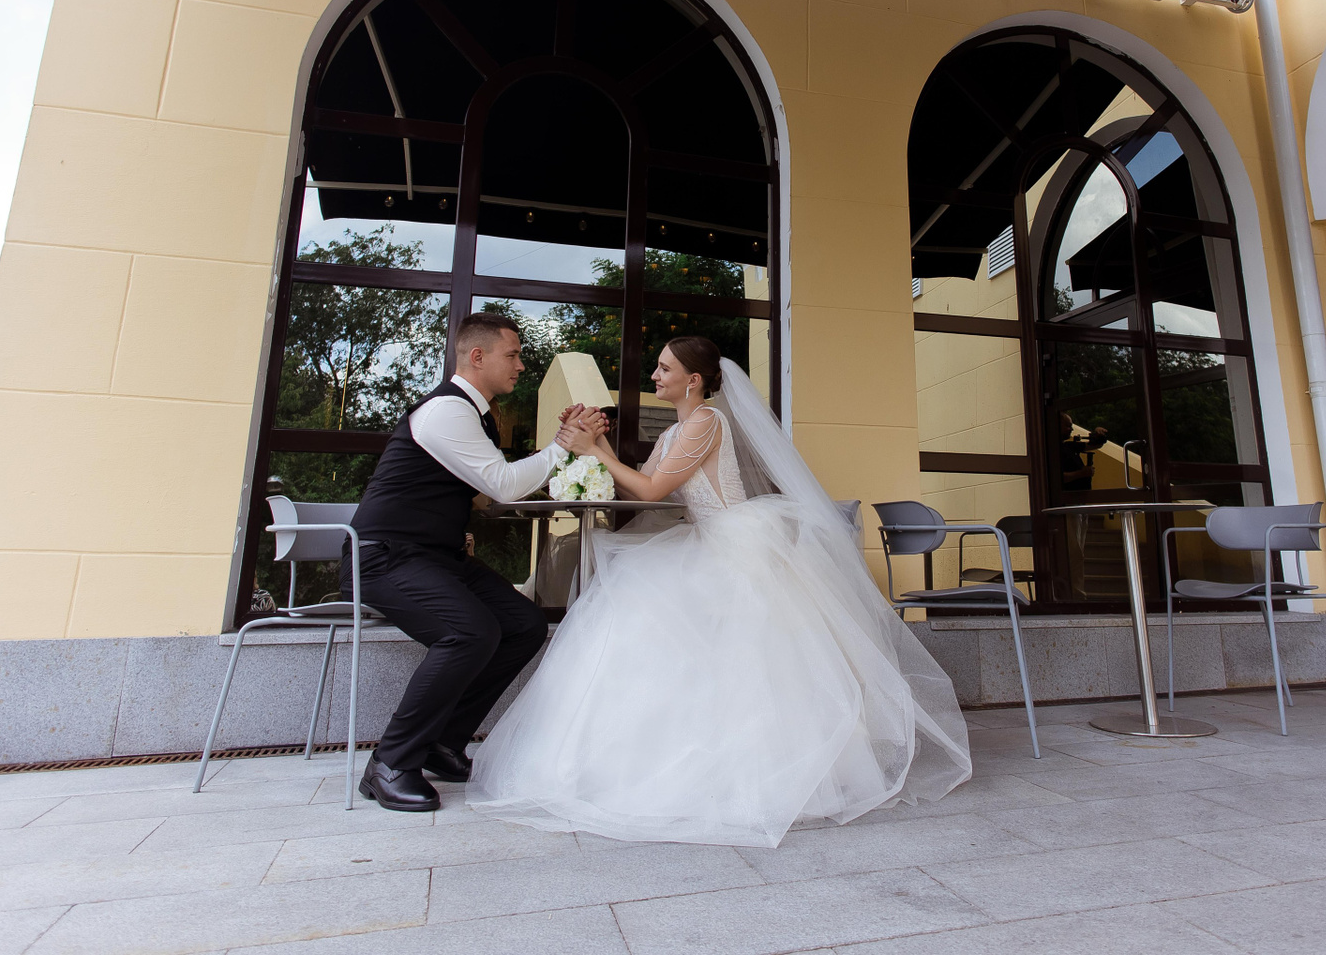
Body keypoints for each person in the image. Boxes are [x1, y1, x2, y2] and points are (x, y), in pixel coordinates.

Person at [467, 336, 973, 847]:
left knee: (748, 660)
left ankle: (765, 769)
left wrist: (591, 449)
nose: (655, 375)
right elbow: (638, 489)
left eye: (664, 368)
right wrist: (593, 444)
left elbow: (652, 490)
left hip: (735, 543)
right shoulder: (676, 430)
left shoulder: (706, 422)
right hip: (703, 539)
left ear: (693, 380)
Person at [347, 311, 597, 812]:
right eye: (514, 355)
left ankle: (442, 743)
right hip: (385, 558)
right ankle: (390, 763)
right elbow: (501, 484)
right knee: (470, 632)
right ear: (477, 356)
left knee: (523, 623)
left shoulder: (476, 415)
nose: (521, 366)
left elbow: (482, 493)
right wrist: (562, 446)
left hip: (436, 556)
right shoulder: (446, 411)